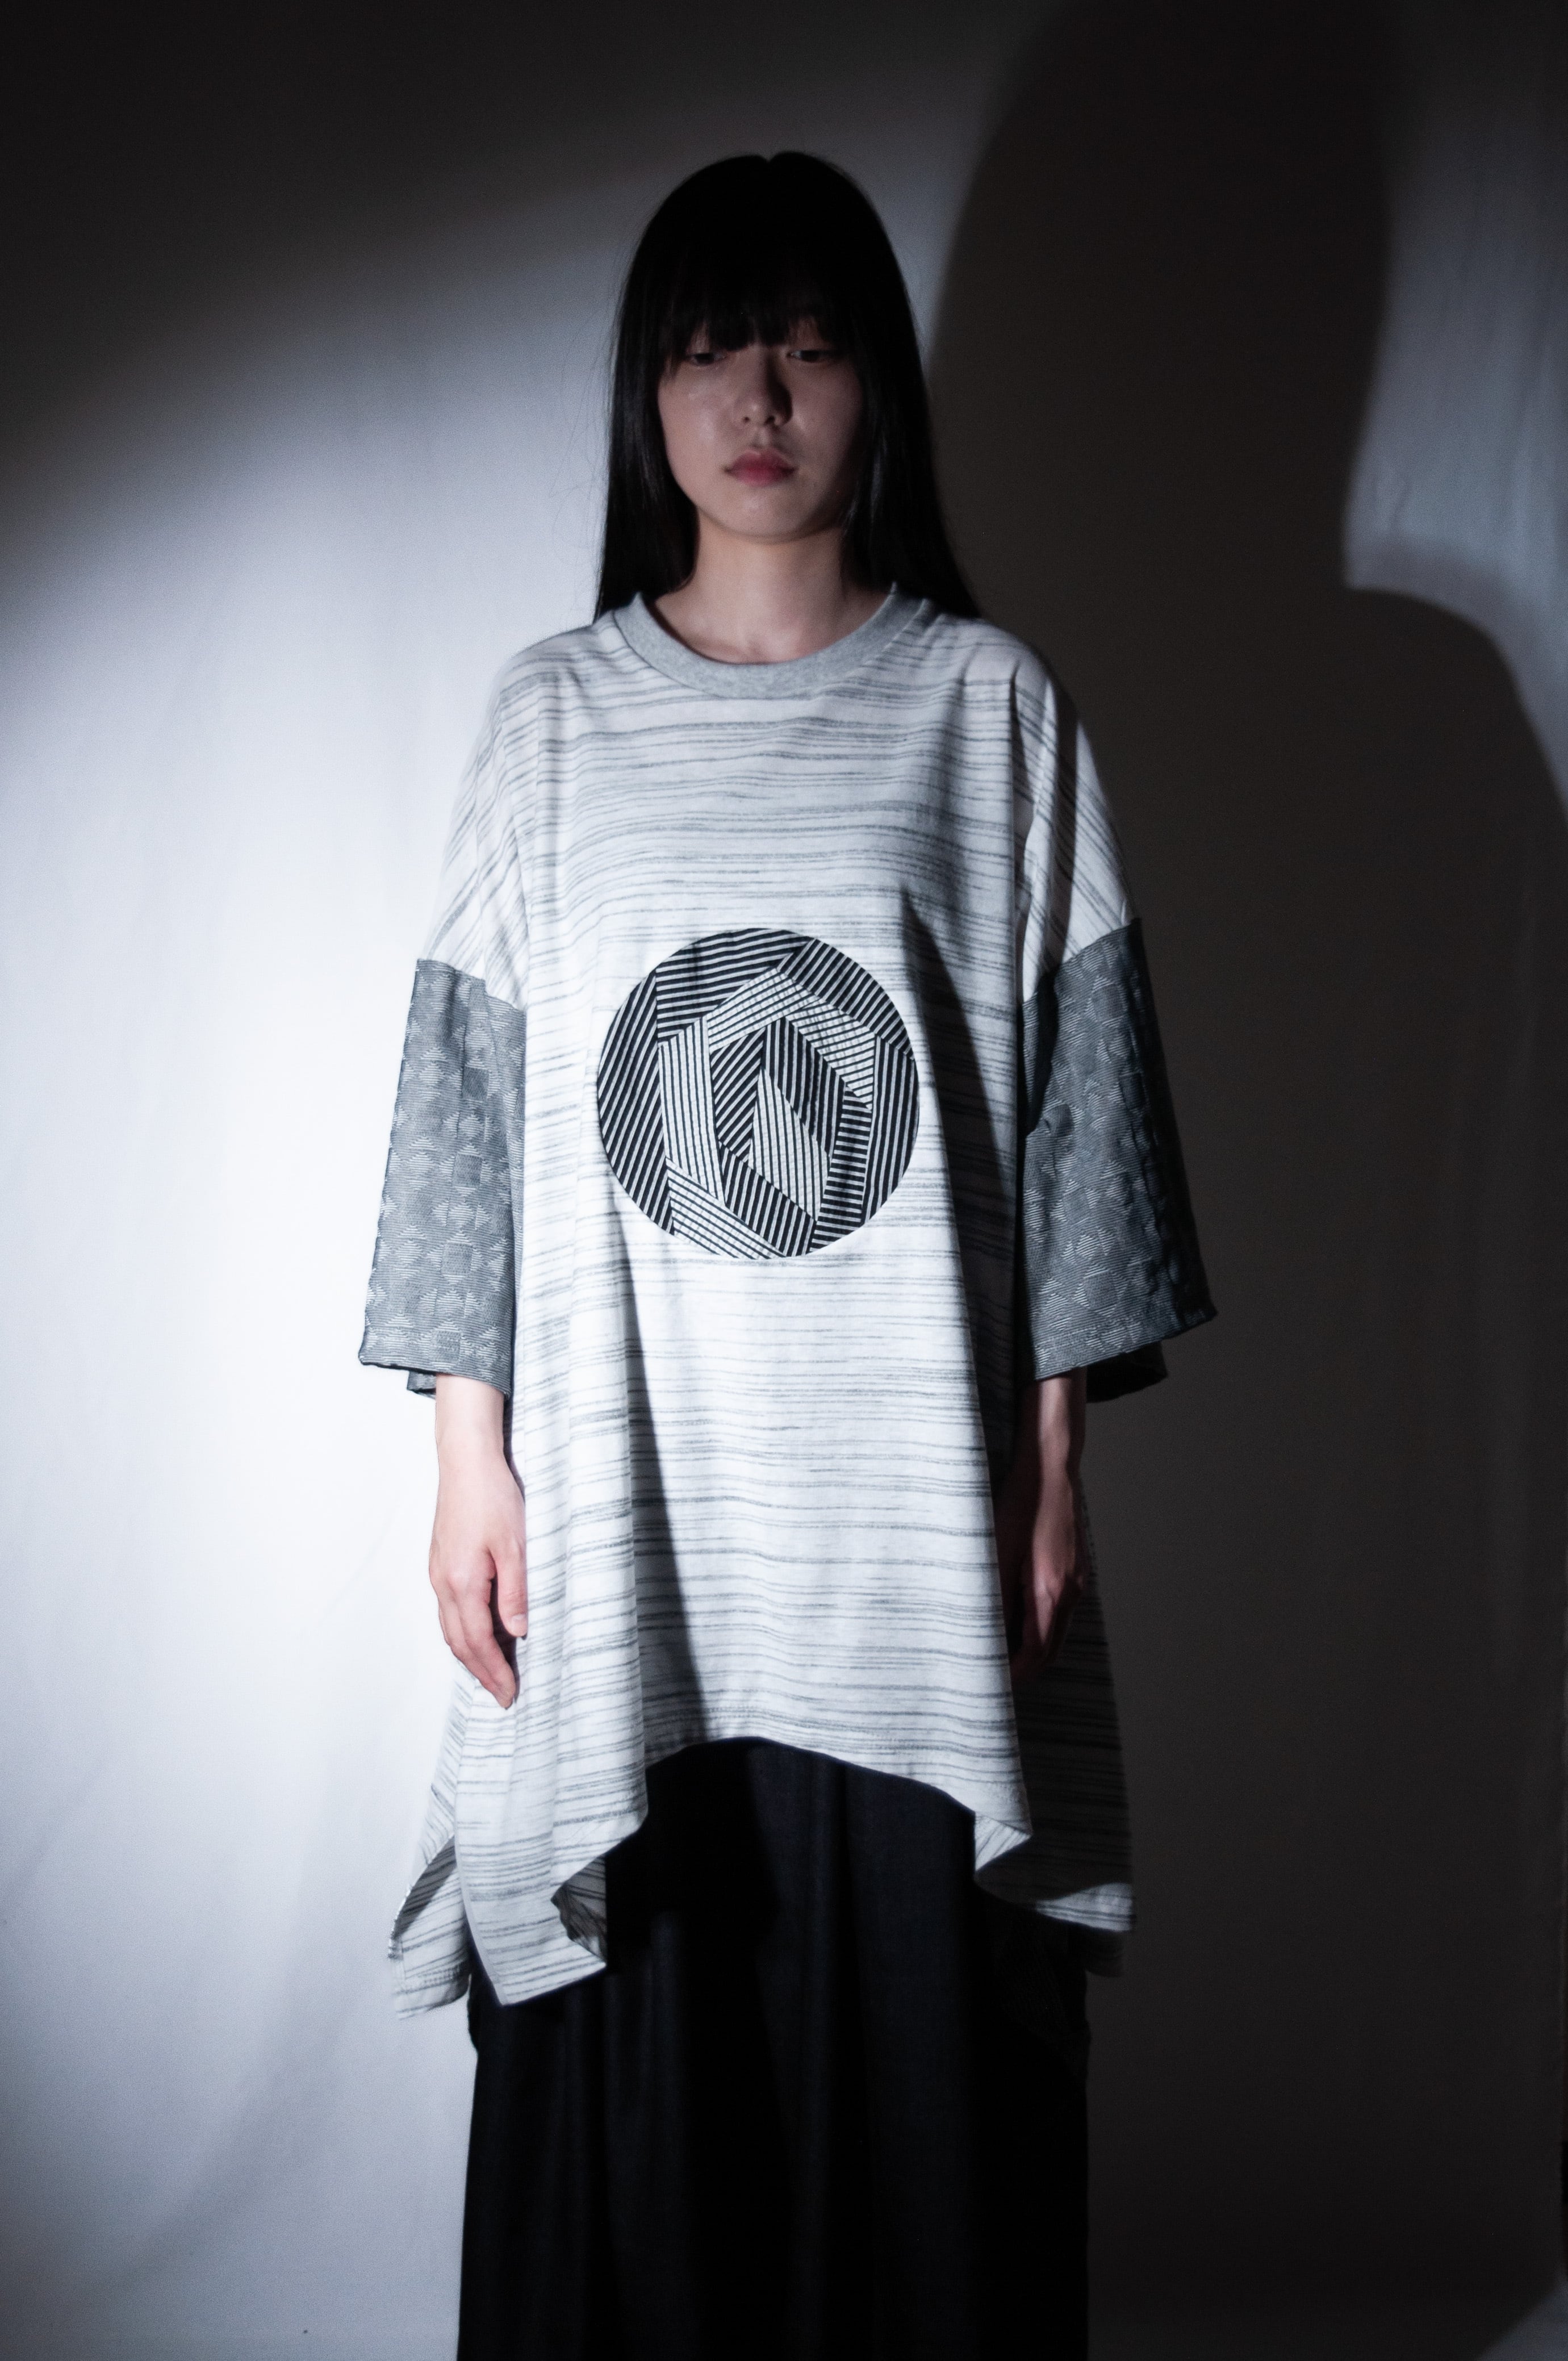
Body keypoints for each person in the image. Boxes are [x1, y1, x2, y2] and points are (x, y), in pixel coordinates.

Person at [361, 151, 1212, 2361]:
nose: (757, 399)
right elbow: (467, 1099)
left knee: (915, 2026)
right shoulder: (552, 717)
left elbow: (1081, 1110)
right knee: (639, 1986)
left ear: (875, 387)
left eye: (811, 345)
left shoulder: (987, 707)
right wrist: (468, 1452)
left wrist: (1052, 1462)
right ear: (647, 395)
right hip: (631, 1501)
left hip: (903, 1498)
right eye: (707, 349)